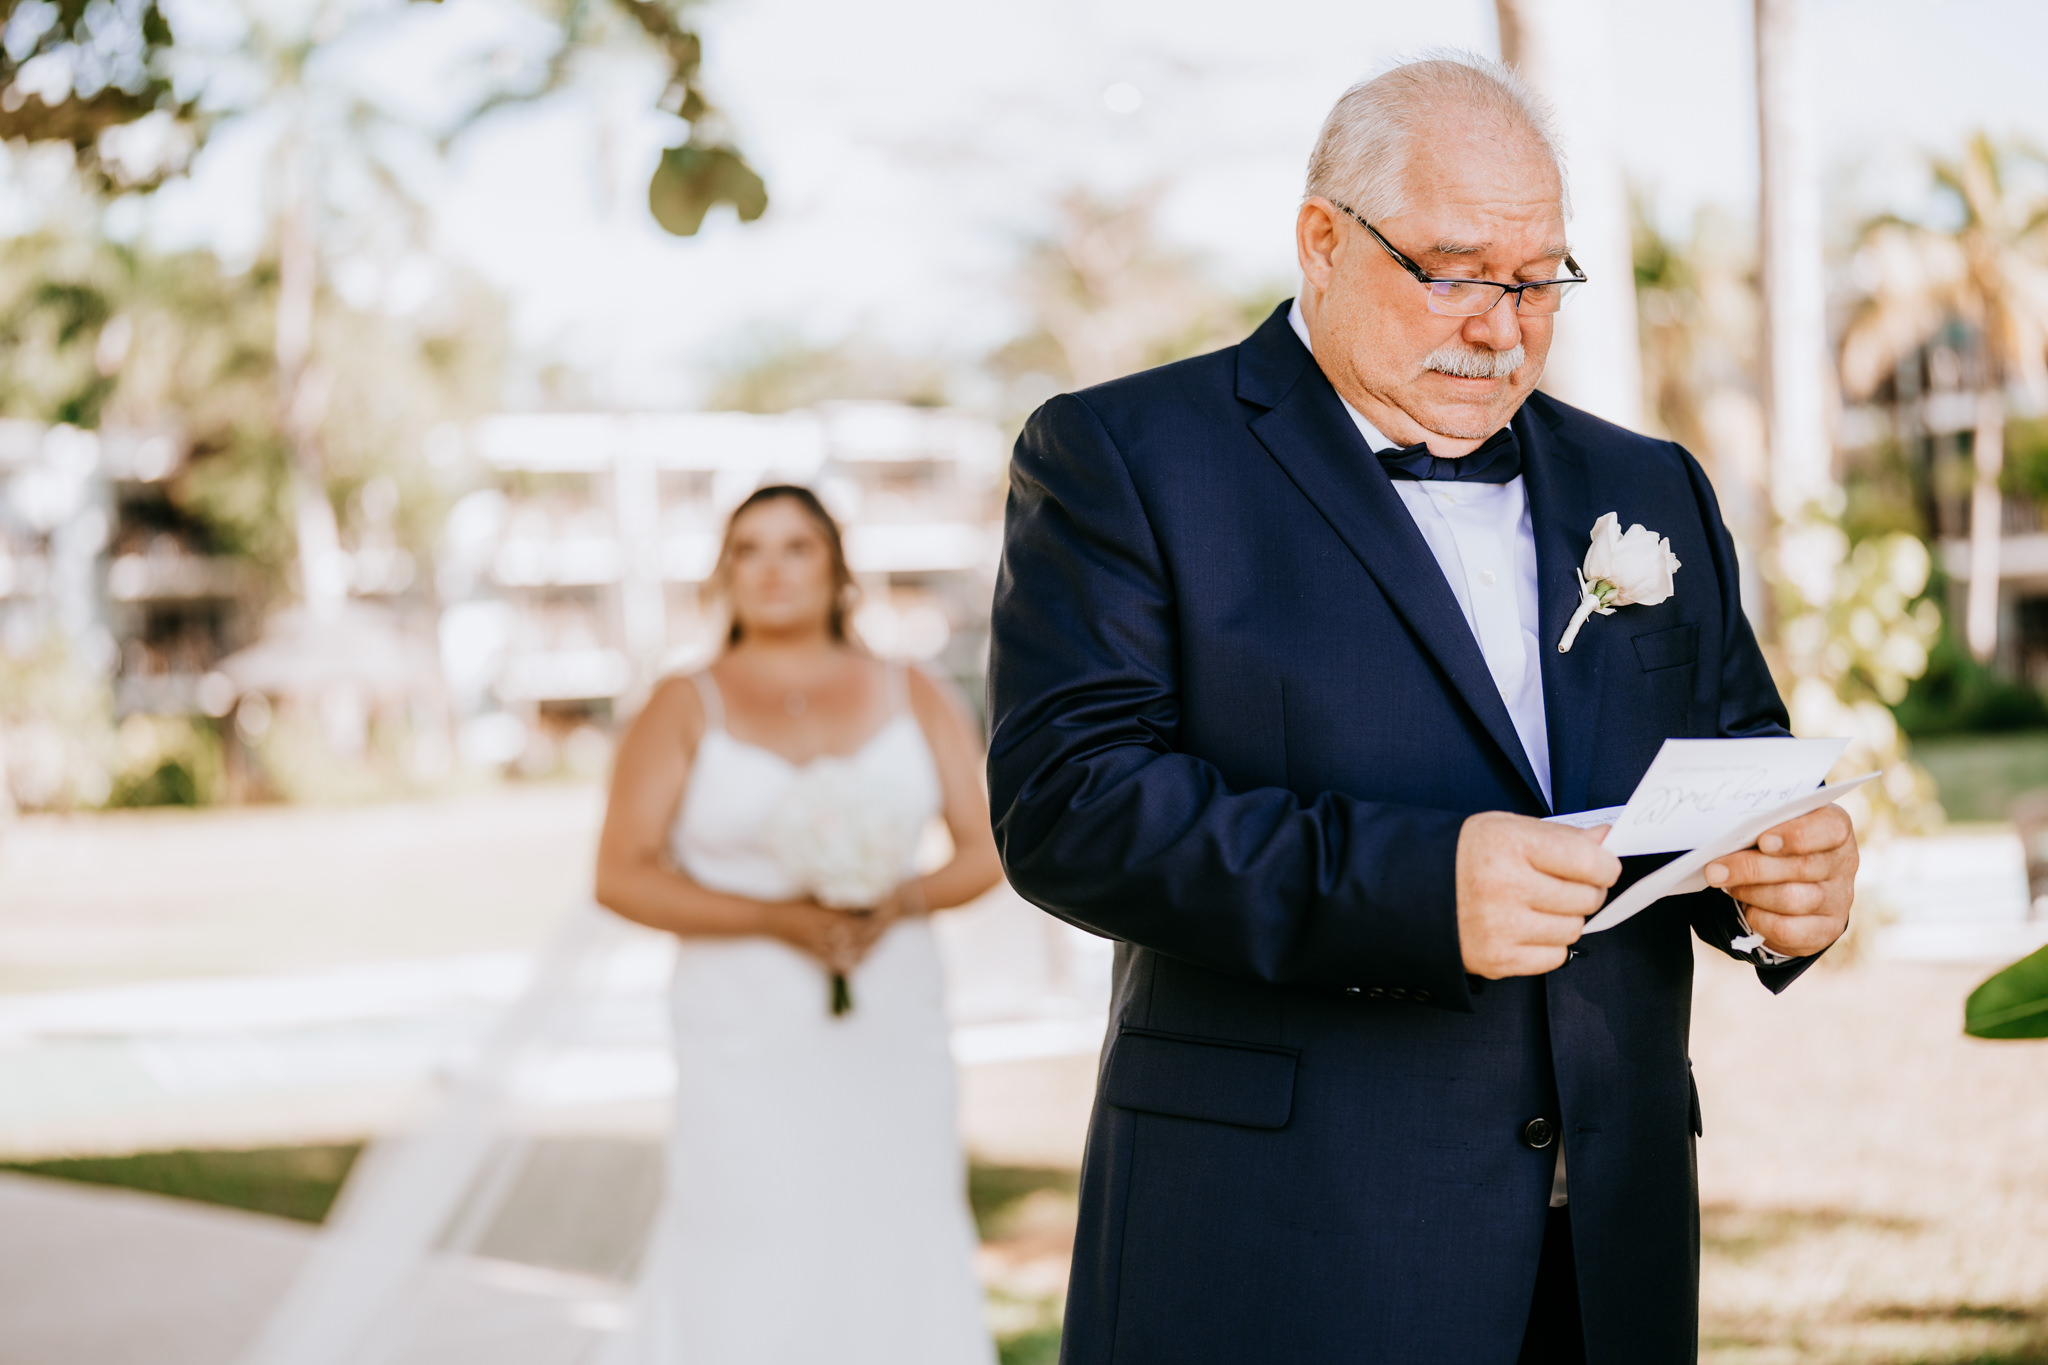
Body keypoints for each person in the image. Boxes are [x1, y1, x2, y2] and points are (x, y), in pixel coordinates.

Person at [986, 55, 1857, 1364]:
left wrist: (1783, 892)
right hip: (1283, 1246)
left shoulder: (1649, 483)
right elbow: (1072, 807)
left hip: (1608, 1250)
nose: (1502, 327)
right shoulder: (1123, 455)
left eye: (1538, 280)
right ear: (1321, 241)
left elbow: (1732, 767)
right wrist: (1416, 889)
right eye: (1453, 273)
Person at [594, 484, 1001, 1365]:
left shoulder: (913, 690)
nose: (772, 569)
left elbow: (984, 851)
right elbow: (620, 874)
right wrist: (775, 917)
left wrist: (895, 900)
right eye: (749, 549)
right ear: (724, 573)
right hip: (742, 1023)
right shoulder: (683, 702)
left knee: (897, 1218)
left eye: (796, 547)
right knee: (747, 1228)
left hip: (892, 1013)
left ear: (837, 569)